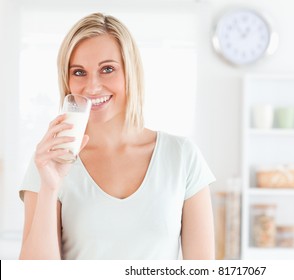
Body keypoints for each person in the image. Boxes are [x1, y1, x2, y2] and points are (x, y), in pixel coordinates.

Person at [19, 12, 216, 260]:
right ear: (66, 80)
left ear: (130, 73)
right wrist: (49, 187)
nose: (92, 87)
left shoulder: (182, 157)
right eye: (79, 72)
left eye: (107, 69)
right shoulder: (50, 160)